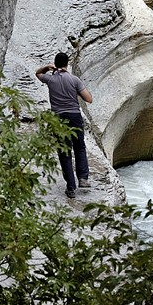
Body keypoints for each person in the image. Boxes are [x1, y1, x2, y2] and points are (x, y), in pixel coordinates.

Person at [35, 52, 93, 198]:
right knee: (79, 146)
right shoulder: (74, 80)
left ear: (55, 64)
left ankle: (71, 188)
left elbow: (38, 73)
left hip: (58, 118)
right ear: (67, 63)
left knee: (64, 152)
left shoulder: (49, 79)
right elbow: (88, 99)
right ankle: (83, 178)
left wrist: (47, 68)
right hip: (74, 116)